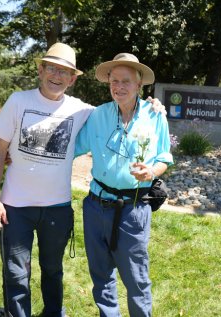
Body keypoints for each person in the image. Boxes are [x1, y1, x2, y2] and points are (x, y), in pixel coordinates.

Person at [0, 43, 165, 317]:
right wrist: (1, 181)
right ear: (40, 70)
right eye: (52, 68)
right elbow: (12, 149)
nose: (57, 76)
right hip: (51, 206)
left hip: (93, 207)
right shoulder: (29, 103)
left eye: (65, 72)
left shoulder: (129, 114)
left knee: (66, 272)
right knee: (26, 273)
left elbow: (157, 148)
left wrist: (154, 109)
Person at [75, 53, 173, 316]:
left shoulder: (155, 116)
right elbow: (72, 147)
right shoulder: (98, 115)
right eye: (114, 81)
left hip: (133, 209)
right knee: (101, 274)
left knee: (136, 279)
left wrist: (151, 171)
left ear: (139, 85)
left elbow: (164, 157)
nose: (118, 87)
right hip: (95, 206)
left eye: (125, 81)